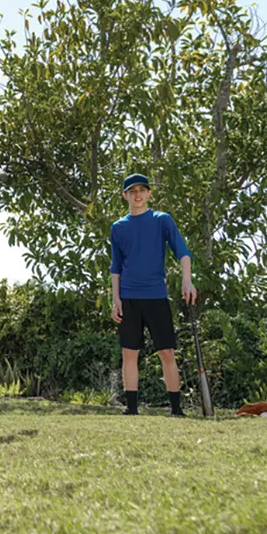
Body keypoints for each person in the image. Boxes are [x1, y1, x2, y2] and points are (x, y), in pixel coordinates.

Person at [109, 173, 197, 416]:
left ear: (149, 193)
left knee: (167, 352)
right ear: (125, 195)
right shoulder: (118, 227)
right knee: (129, 353)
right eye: (132, 191)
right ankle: (132, 408)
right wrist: (116, 299)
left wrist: (187, 280)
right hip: (128, 297)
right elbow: (116, 267)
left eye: (142, 190)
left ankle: (176, 409)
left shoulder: (162, 220)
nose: (137, 194)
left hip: (156, 295)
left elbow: (183, 251)